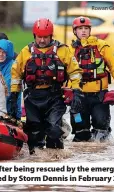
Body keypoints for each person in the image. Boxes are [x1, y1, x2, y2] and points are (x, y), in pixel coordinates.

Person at [10, 18, 83, 154]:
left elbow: (75, 72)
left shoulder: (63, 51)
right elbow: (16, 74)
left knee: (54, 129)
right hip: (32, 97)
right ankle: (37, 159)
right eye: (39, 37)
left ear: (51, 36)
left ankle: (56, 157)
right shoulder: (26, 52)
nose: (42, 40)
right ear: (34, 36)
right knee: (34, 132)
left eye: (45, 37)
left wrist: (77, 90)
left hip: (54, 96)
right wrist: (14, 95)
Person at [68, 16, 114, 142]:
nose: (83, 31)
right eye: (80, 28)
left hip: (99, 96)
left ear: (90, 30)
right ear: (74, 31)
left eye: (86, 28)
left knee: (101, 130)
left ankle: (100, 156)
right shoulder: (70, 50)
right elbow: (64, 72)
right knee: (80, 131)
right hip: (78, 97)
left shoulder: (102, 46)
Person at [0, 39, 22, 120]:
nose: (0, 54)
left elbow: (6, 90)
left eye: (4, 52)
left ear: (8, 53)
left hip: (10, 109)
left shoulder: (13, 66)